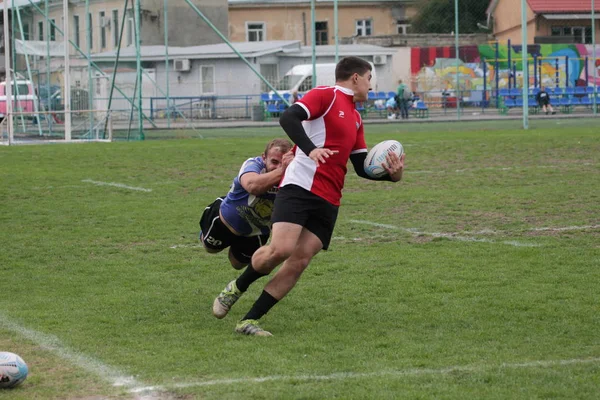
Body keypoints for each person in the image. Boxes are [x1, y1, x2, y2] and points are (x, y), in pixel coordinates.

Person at [212, 56, 405, 336]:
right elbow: (288, 117)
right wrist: (311, 148)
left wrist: (394, 174)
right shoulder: (325, 95)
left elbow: (362, 167)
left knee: (299, 261)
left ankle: (249, 321)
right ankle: (236, 288)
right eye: (369, 79)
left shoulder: (356, 117)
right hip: (300, 186)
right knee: (281, 250)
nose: (371, 86)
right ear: (355, 78)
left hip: (330, 198)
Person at [200, 138, 293, 271]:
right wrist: (283, 170)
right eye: (274, 162)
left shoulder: (295, 175)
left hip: (256, 231)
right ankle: (211, 213)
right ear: (264, 158)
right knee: (210, 249)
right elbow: (252, 185)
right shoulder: (253, 164)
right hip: (226, 221)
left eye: (283, 163)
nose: (278, 166)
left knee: (237, 264)